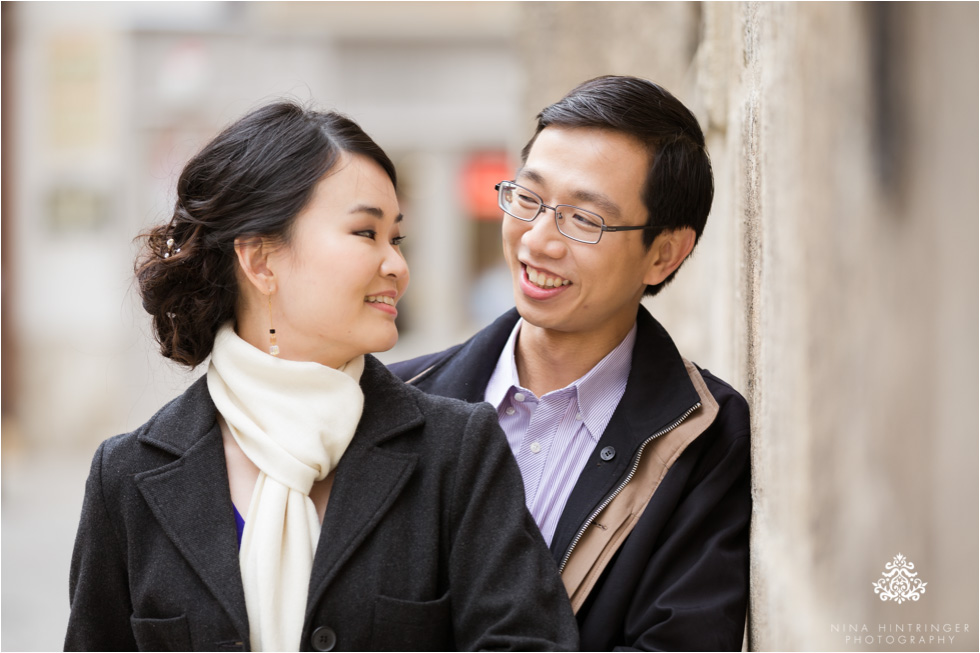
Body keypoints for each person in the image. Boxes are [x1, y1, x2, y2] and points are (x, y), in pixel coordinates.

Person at [65, 102, 578, 652]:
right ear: (261, 261)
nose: (397, 266)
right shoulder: (127, 477)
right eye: (365, 233)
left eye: (396, 239)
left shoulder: (457, 452)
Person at [390, 75, 751, 651]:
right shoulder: (395, 398)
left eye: (585, 220)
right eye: (528, 199)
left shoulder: (702, 435)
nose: (538, 240)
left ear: (663, 254)